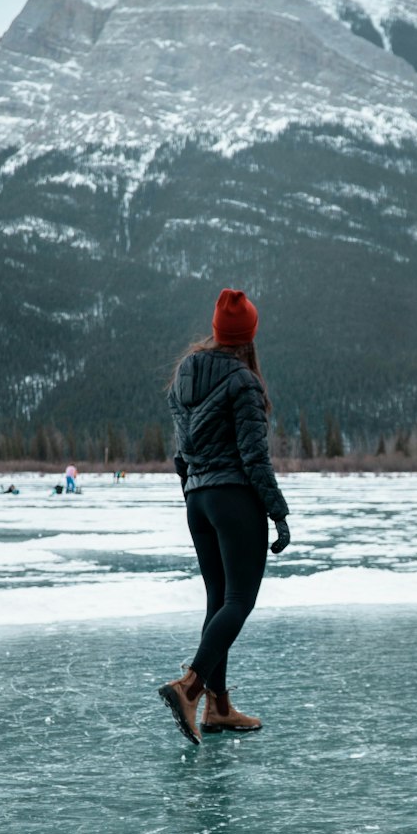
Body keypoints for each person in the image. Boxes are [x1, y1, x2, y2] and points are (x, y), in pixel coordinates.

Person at [158, 288, 290, 745]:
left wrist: (194, 497)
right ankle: (190, 688)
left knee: (219, 601)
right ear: (248, 335)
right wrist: (278, 512)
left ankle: (219, 708)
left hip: (199, 499)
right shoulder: (244, 382)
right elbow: (254, 458)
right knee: (239, 600)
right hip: (233, 497)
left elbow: (181, 457)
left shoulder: (184, 375)